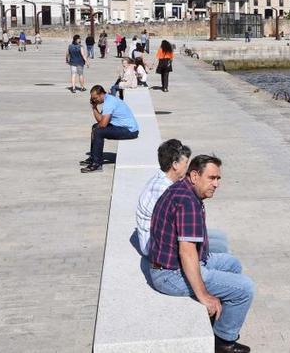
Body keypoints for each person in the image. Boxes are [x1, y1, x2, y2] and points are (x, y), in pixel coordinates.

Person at [149, 155, 253, 353]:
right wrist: (204, 295)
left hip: (169, 264)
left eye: (218, 179)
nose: (216, 184)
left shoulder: (183, 189)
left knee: (232, 264)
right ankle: (223, 342)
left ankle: (219, 320)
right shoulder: (188, 202)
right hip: (169, 274)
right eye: (212, 178)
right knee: (245, 289)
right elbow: (187, 253)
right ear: (195, 175)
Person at [135, 140, 229, 257]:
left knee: (220, 237)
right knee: (220, 246)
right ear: (175, 164)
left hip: (164, 234)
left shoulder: (165, 180)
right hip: (154, 245)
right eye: (186, 163)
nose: (188, 167)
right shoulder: (163, 188)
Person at [80, 85, 139, 173]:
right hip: (121, 127)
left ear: (101, 95)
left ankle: (97, 164)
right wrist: (94, 107)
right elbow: (100, 120)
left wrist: (97, 129)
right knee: (95, 127)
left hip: (130, 130)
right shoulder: (108, 100)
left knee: (98, 131)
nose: (94, 100)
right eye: (92, 98)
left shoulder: (109, 102)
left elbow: (103, 124)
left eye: (95, 98)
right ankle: (93, 157)